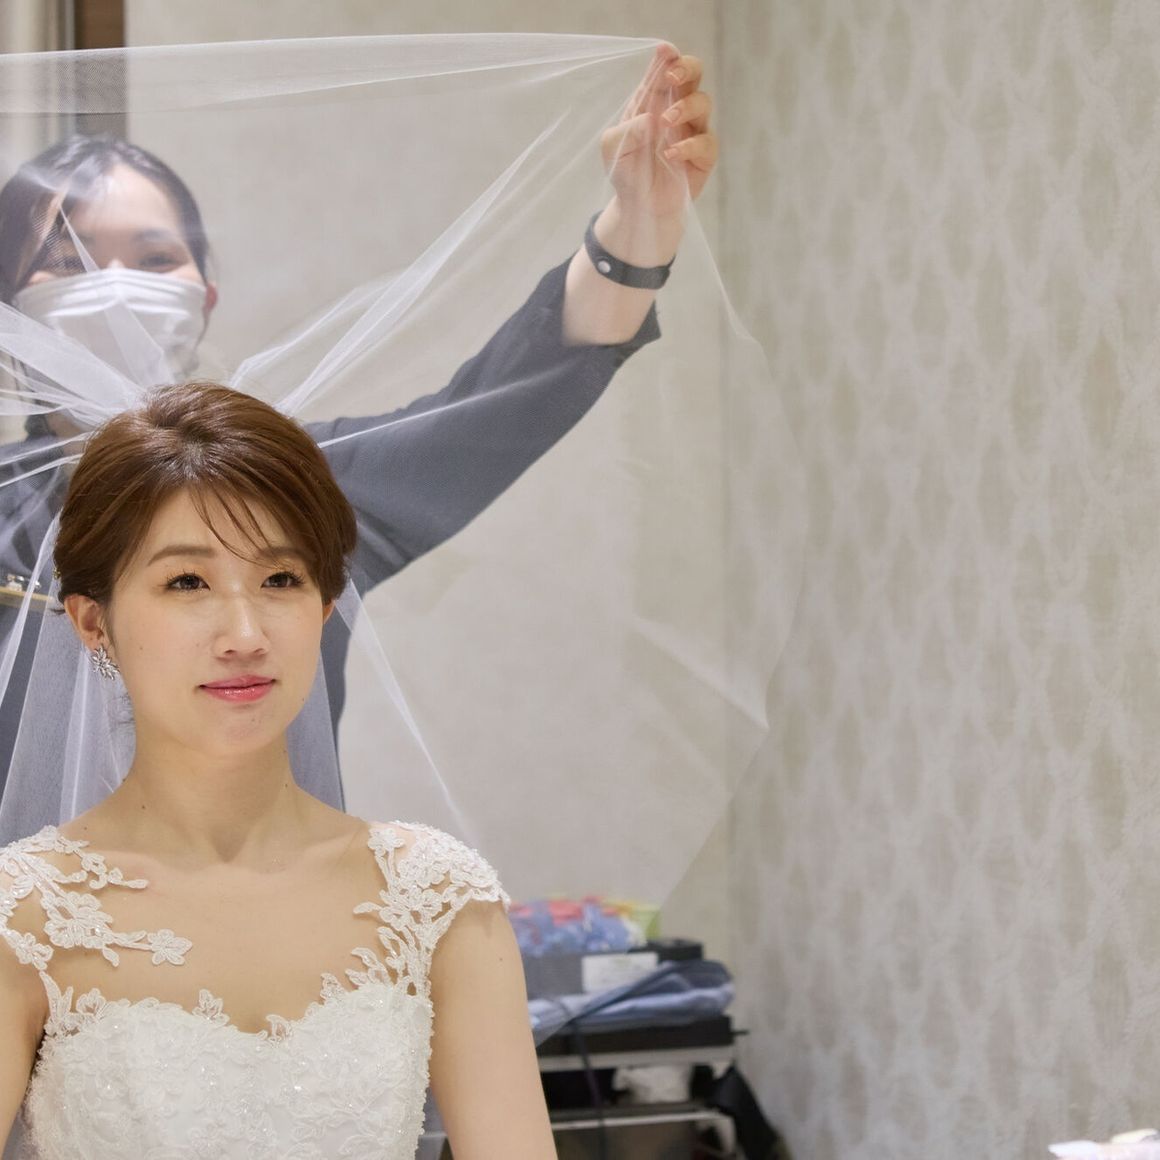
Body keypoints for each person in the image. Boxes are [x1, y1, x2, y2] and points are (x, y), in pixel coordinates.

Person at [0, 42, 719, 836]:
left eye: (154, 257)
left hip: (274, 904)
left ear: (205, 298)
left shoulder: (303, 484)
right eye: (67, 259)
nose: (113, 285)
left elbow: (502, 405)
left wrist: (639, 226)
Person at [0, 381, 557, 1157]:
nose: (245, 634)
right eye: (187, 582)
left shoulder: (438, 900)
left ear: (324, 608)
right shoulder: (25, 917)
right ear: (95, 622)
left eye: (281, 580)